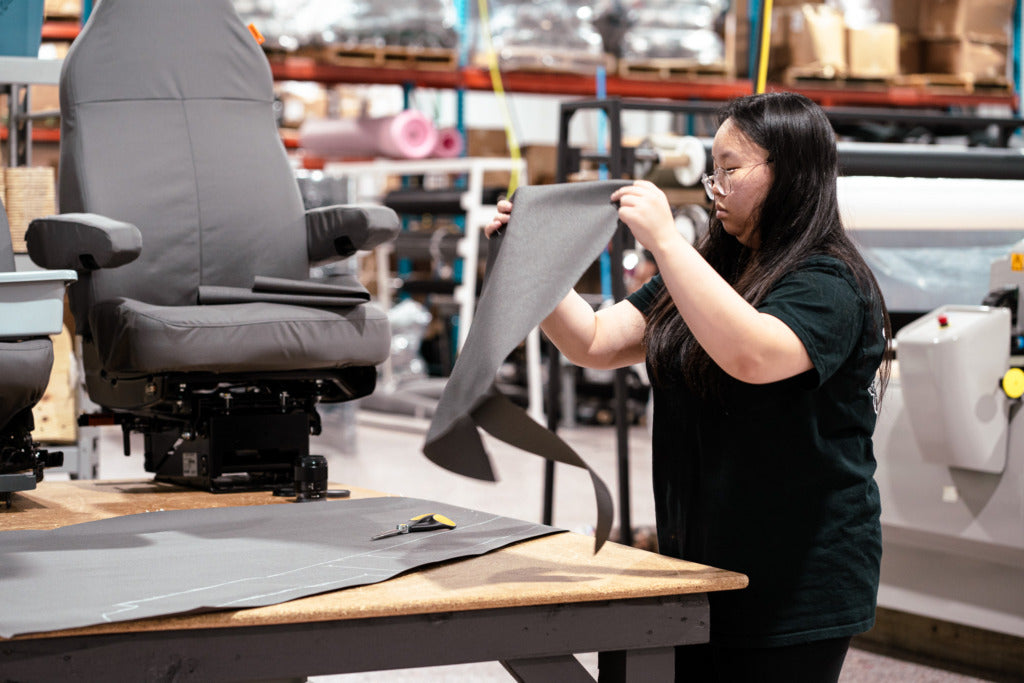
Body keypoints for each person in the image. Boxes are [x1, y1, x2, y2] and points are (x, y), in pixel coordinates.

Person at [487, 91, 890, 683]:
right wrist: (530, 261)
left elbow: (752, 353)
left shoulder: (827, 280)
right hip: (698, 563)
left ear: (794, 173)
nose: (715, 188)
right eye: (713, 171)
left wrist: (666, 241)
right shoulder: (713, 269)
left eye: (732, 170)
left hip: (797, 579)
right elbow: (594, 342)